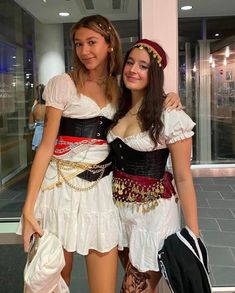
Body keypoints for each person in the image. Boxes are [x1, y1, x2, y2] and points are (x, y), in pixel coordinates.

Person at [18, 15, 181, 292]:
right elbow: (45, 146)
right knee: (52, 280)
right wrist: (28, 206)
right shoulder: (62, 83)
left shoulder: (120, 87)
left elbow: (146, 101)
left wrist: (170, 97)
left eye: (91, 42)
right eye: (78, 44)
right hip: (60, 190)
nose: (84, 51)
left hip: (102, 192)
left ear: (109, 45)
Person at [108, 39, 199, 292]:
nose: (133, 70)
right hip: (120, 215)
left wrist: (192, 235)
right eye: (130, 62)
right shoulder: (120, 109)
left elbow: (183, 178)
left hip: (152, 219)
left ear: (154, 74)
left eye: (143, 66)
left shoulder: (170, 115)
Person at [29, 84, 46, 150]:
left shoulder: (34, 107)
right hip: (48, 134)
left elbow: (31, 126)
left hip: (37, 135)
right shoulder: (49, 107)